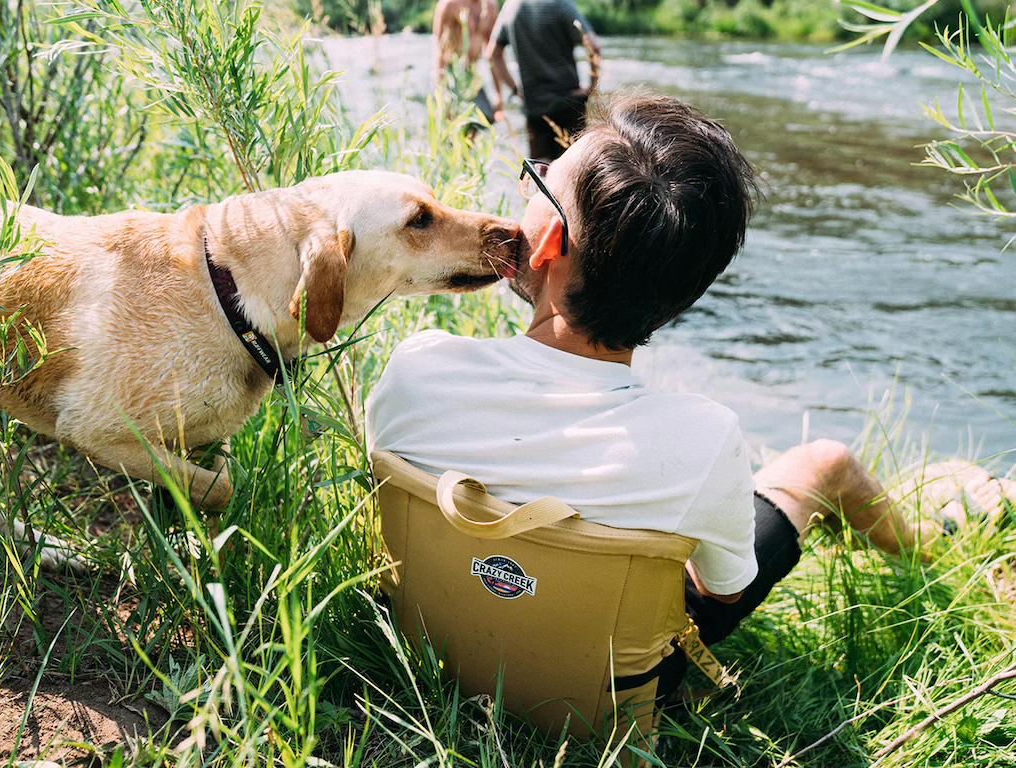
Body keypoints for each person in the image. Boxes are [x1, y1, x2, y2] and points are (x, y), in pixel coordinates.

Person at [365, 93, 982, 698]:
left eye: (540, 180)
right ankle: (938, 542)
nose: (525, 192)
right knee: (825, 463)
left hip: (421, 663)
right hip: (602, 702)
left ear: (549, 238)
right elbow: (724, 590)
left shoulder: (418, 368)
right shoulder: (702, 438)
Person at [485, 0, 602, 161]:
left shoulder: (511, 7)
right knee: (576, 166)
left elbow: (492, 55)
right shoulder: (561, 4)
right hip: (569, 102)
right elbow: (594, 46)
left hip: (534, 104)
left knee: (540, 167)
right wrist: (591, 88)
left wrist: (515, 89)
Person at [433, 0, 500, 129]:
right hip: (452, 73)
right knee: (453, 123)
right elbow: (439, 48)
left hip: (472, 73)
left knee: (485, 118)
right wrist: (441, 88)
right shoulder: (449, 4)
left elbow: (493, 53)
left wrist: (498, 95)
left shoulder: (490, 6)